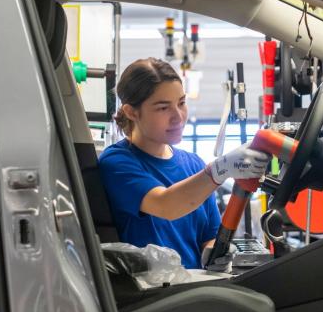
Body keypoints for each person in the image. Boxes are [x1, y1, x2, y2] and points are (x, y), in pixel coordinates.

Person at [98, 58, 270, 269]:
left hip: (193, 286)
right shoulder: (116, 162)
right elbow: (166, 205)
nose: (178, 117)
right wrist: (218, 171)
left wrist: (214, 252)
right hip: (150, 293)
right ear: (132, 112)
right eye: (163, 108)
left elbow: (209, 235)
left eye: (181, 103)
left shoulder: (193, 164)